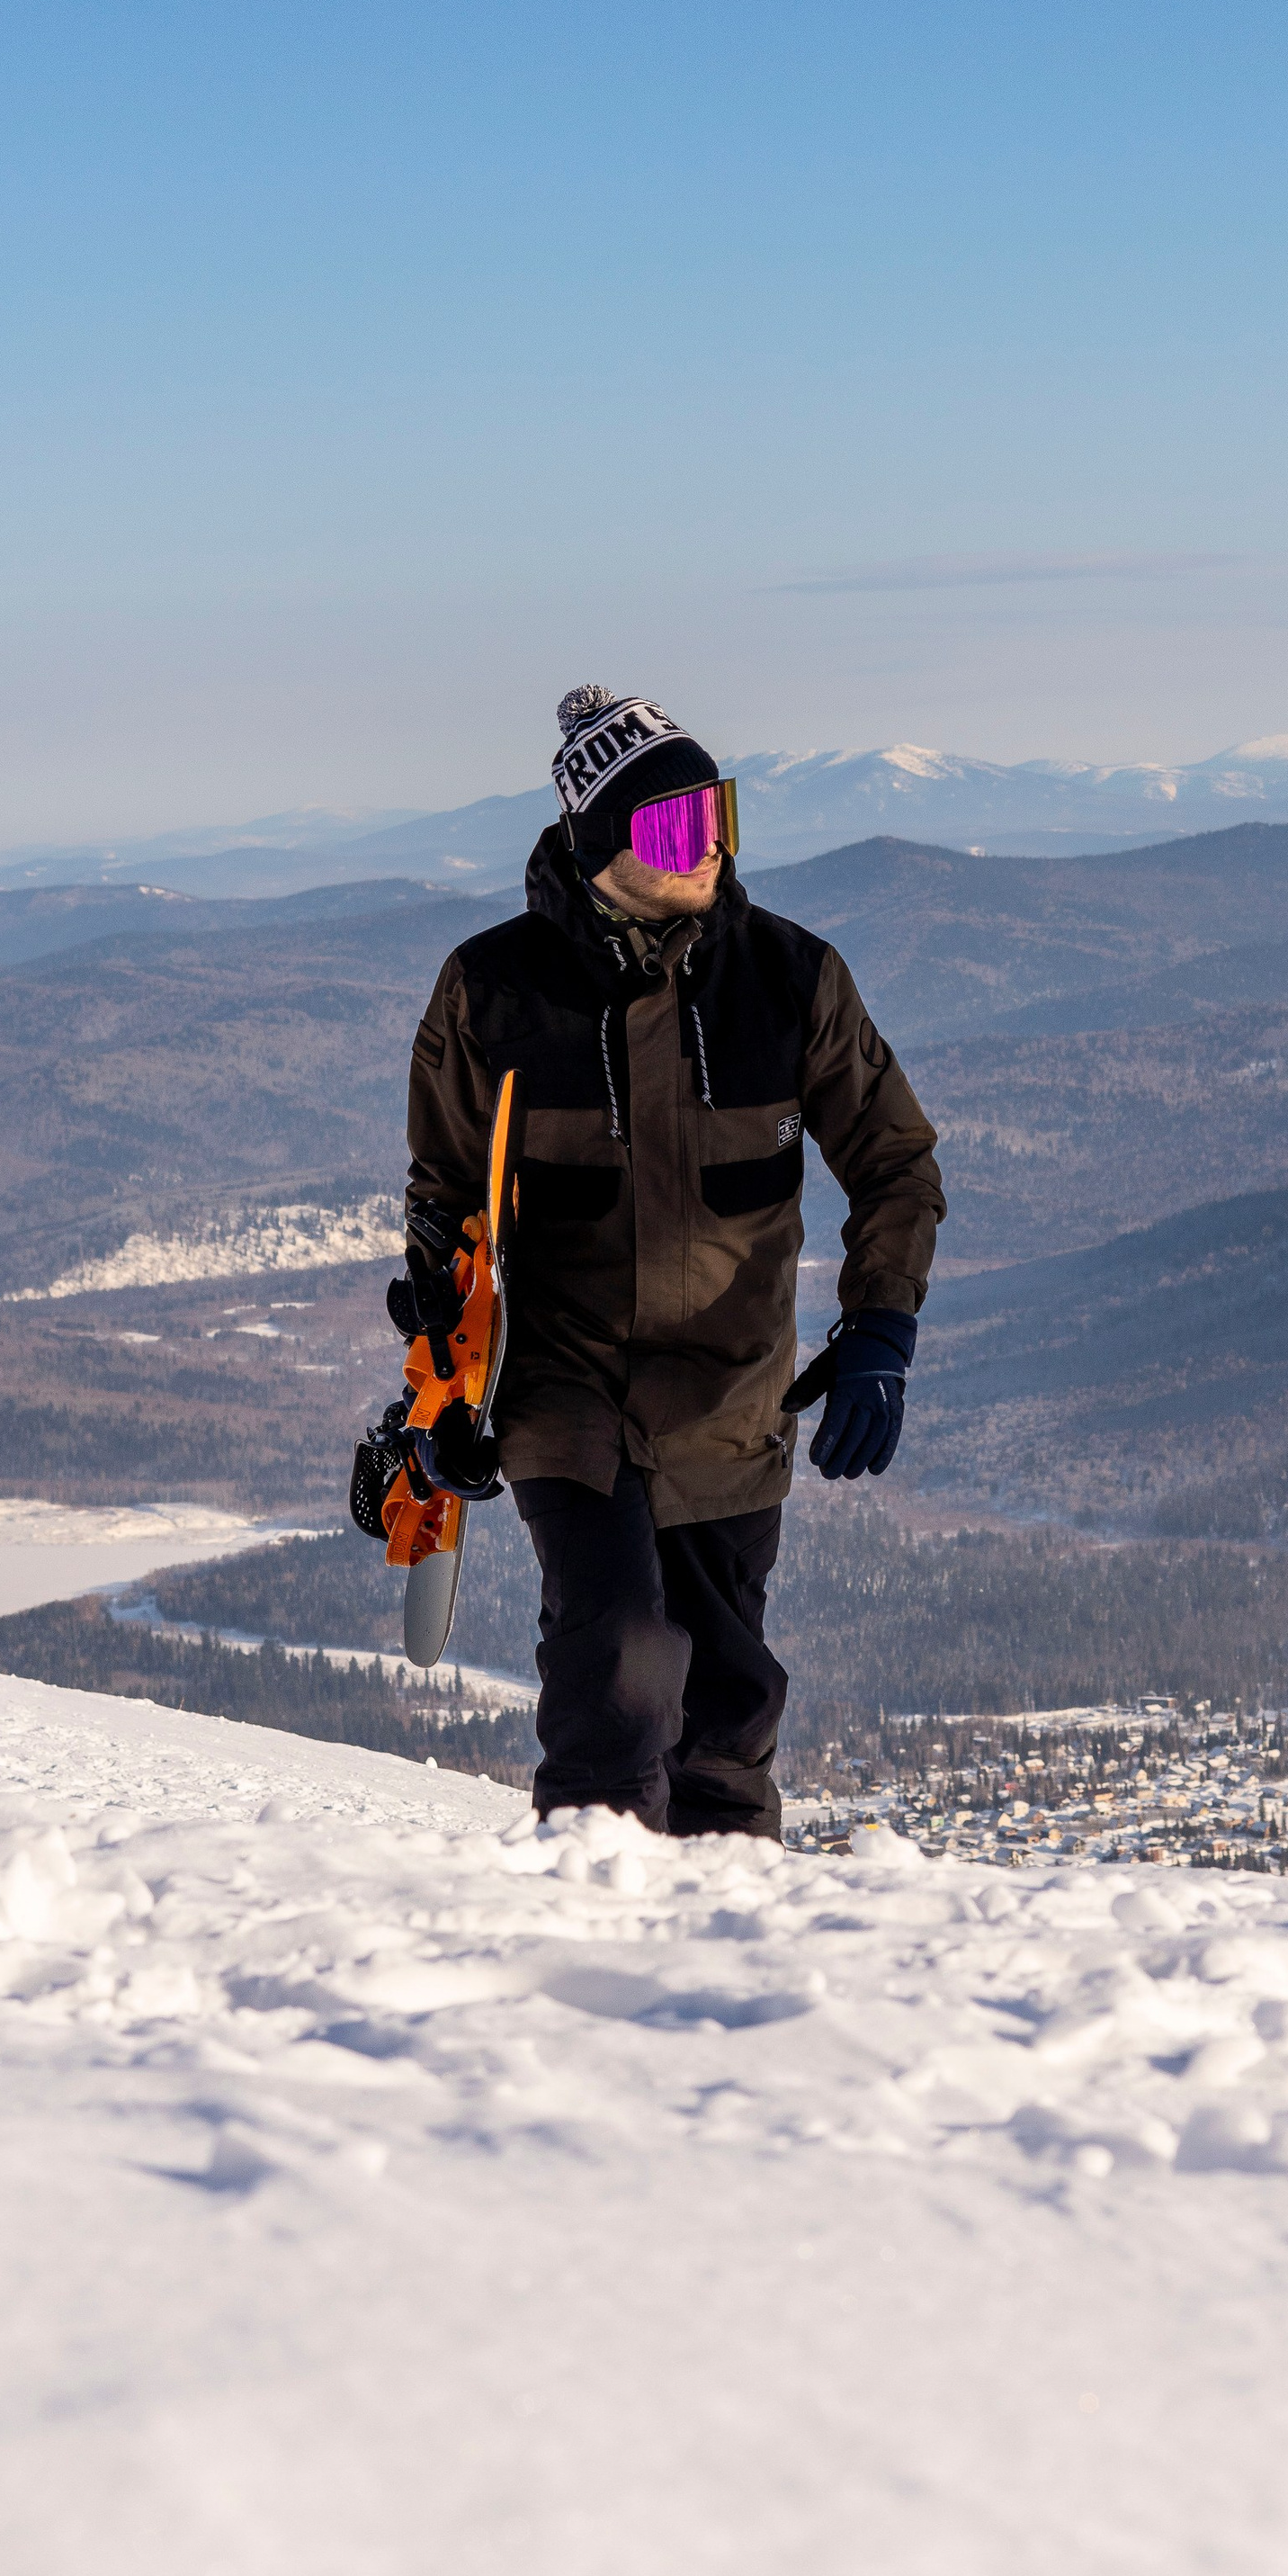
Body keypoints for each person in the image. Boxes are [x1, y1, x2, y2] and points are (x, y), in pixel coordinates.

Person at [392, 687, 944, 1841]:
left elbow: (893, 1161)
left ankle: (723, 1955)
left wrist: (880, 1329)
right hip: (563, 1393)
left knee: (727, 1704)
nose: (707, 849)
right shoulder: (491, 993)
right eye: (671, 828)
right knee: (618, 1663)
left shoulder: (790, 982)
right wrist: (441, 1386)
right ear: (601, 849)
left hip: (729, 1399)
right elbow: (447, 1204)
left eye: (716, 816)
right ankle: (594, 1922)